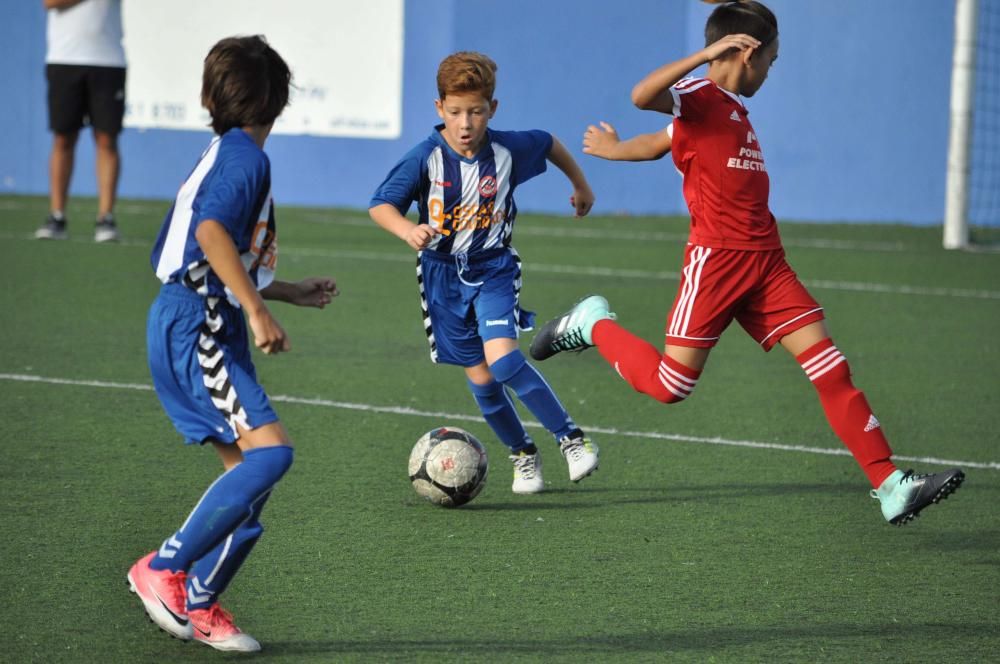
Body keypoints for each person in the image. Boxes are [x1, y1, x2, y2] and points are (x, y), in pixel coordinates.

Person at [531, 0, 964, 526]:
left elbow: (660, 144)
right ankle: (592, 324)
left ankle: (891, 484)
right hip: (718, 261)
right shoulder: (699, 92)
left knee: (831, 368)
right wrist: (707, 53)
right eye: (772, 60)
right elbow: (642, 96)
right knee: (671, 386)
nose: (771, 71)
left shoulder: (730, 109)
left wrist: (618, 148)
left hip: (768, 263)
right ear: (747, 53)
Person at [126, 36, 339, 652]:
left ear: (209, 96)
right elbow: (212, 232)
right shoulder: (248, 159)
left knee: (251, 482)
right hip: (200, 327)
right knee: (271, 457)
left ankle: (201, 602)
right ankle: (163, 568)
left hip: (194, 318)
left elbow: (206, 248)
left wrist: (288, 293)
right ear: (279, 99)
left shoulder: (224, 150)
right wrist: (254, 309)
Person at [369, 51, 599, 494]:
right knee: (481, 379)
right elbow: (381, 205)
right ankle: (523, 454)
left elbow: (549, 142)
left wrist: (581, 185)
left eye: (475, 111)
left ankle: (571, 439)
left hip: (493, 268)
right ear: (440, 109)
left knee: (506, 360)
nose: (465, 123)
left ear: (492, 109)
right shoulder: (424, 158)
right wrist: (406, 229)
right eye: (455, 112)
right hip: (440, 278)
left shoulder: (507, 150)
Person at [36, 0, 126, 242]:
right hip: (64, 58)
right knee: (63, 137)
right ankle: (57, 217)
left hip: (108, 60)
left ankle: (105, 218)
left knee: (107, 138)